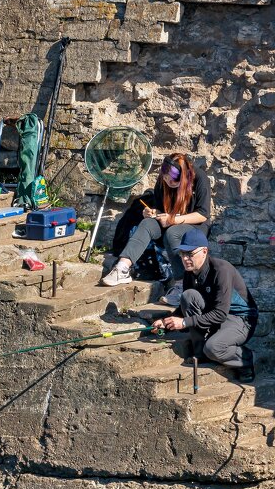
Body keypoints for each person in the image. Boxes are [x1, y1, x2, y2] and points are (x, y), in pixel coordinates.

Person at [100, 153, 211, 306]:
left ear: (183, 176)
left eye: (171, 180)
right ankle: (123, 268)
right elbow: (160, 209)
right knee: (147, 224)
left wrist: (173, 219)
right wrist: (152, 212)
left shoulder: (199, 178)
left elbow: (203, 215)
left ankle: (181, 285)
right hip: (171, 220)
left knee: (172, 233)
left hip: (195, 225)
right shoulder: (163, 180)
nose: (168, 182)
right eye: (165, 179)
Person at [153, 228, 257, 381]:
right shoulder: (190, 272)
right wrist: (166, 321)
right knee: (188, 295)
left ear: (204, 251)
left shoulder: (221, 270)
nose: (185, 259)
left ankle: (245, 360)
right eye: (182, 254)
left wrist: (183, 322)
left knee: (214, 348)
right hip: (217, 313)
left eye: (190, 254)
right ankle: (200, 353)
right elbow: (186, 305)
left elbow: (220, 314)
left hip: (240, 318)